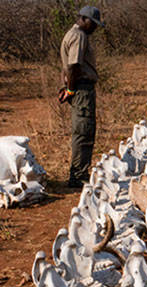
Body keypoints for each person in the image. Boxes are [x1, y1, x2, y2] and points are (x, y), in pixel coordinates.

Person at [59, 6, 104, 188]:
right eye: (94, 24)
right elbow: (72, 66)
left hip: (79, 88)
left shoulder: (73, 34)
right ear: (85, 20)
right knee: (84, 132)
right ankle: (78, 175)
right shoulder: (79, 36)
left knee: (83, 130)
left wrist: (66, 87)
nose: (95, 28)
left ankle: (79, 172)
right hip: (82, 89)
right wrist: (70, 90)